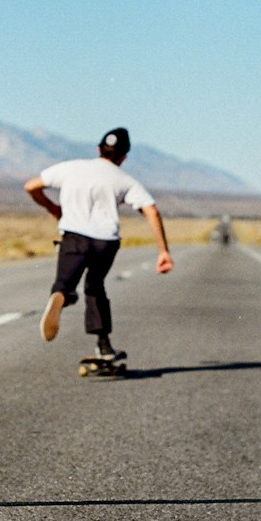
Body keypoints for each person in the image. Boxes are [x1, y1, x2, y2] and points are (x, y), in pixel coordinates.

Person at [23, 127, 173, 358]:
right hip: (106, 242)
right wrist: (163, 251)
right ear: (123, 156)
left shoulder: (71, 168)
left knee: (64, 283)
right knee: (95, 287)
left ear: (98, 149)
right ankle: (103, 345)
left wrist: (52, 207)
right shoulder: (124, 180)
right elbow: (151, 211)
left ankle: (61, 297)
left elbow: (31, 186)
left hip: (74, 237)